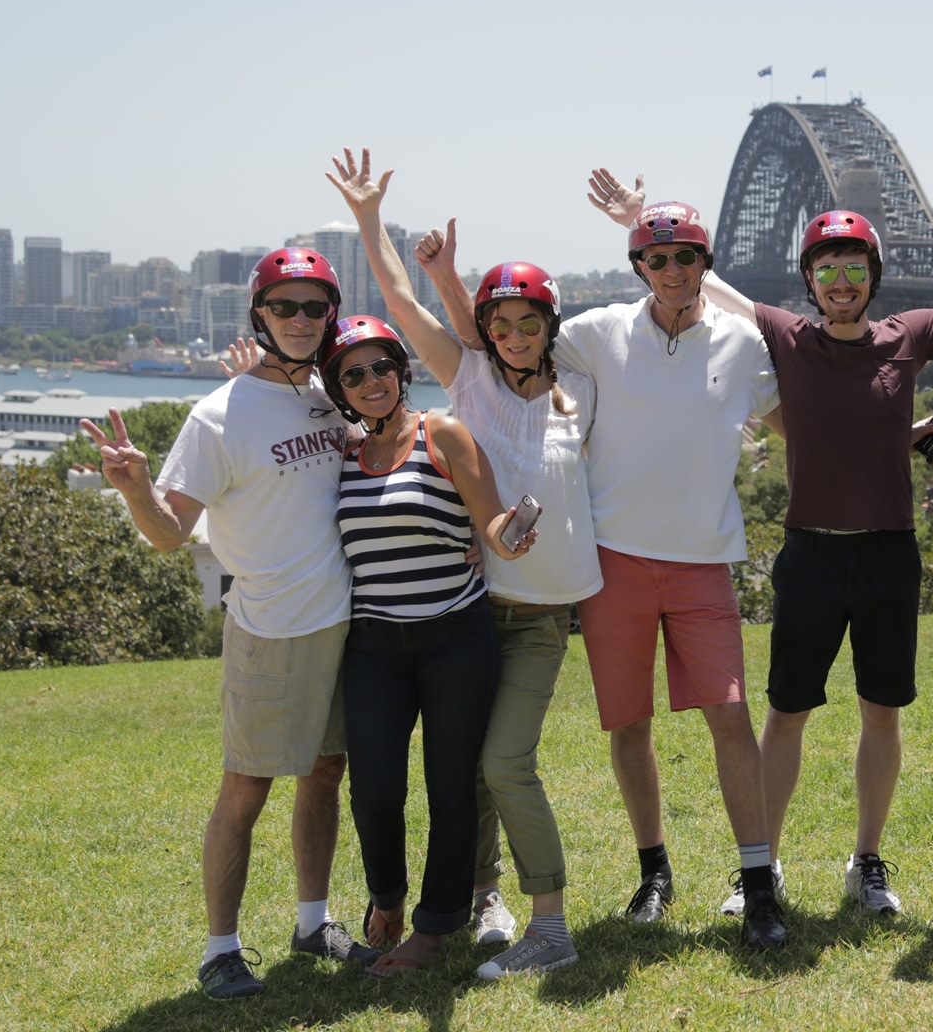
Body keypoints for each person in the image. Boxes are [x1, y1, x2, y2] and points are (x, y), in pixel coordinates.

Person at [582, 172, 933, 920]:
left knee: (880, 712)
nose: (840, 280)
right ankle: (756, 869)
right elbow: (705, 277)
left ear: (873, 278)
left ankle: (866, 861)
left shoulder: (909, 336)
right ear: (808, 279)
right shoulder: (785, 335)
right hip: (809, 553)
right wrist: (644, 220)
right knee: (786, 714)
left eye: (854, 268)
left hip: (887, 555)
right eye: (826, 269)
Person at [429, 194, 787, 949]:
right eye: (655, 258)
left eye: (684, 256)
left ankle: (759, 884)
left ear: (704, 263)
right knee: (629, 726)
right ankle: (653, 870)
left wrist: (898, 428)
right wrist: (445, 276)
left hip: (703, 564)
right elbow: (493, 339)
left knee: (729, 717)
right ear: (638, 266)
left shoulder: (745, 345)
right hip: (613, 564)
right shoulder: (593, 334)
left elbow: (805, 417)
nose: (670, 270)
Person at [325, 148, 595, 978]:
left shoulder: (581, 390)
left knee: (492, 765)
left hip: (533, 614)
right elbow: (401, 303)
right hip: (474, 609)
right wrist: (371, 220)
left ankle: (535, 925)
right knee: (461, 771)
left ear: (551, 327)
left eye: (529, 323)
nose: (514, 337)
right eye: (500, 325)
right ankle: (481, 896)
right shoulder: (467, 377)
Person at [81, 248, 378, 999]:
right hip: (271, 629)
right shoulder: (215, 417)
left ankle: (313, 922)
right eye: (286, 307)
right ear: (259, 316)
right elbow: (170, 534)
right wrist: (134, 488)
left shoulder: (329, 394)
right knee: (245, 790)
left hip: (343, 621)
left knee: (324, 773)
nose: (303, 321)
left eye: (316, 308)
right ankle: (220, 949)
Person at [320, 313, 535, 978]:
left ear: (400, 370)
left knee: (450, 789)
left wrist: (507, 535)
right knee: (375, 790)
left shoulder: (439, 432)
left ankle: (435, 930)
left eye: (381, 365)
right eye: (353, 374)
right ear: (339, 389)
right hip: (374, 647)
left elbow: (489, 516)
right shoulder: (342, 453)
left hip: (454, 638)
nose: (370, 380)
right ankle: (386, 897)